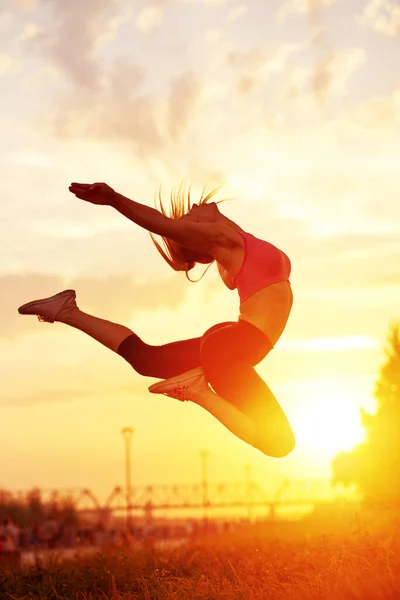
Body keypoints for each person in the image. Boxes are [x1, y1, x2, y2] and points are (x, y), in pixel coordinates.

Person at [18, 182, 295, 458]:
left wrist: (209, 225)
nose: (191, 209)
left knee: (146, 359)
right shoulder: (223, 240)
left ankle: (66, 311)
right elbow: (165, 226)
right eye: (187, 219)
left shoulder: (233, 243)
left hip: (231, 342)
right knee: (279, 444)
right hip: (235, 345)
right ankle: (199, 392)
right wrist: (115, 199)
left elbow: (209, 230)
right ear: (197, 235)